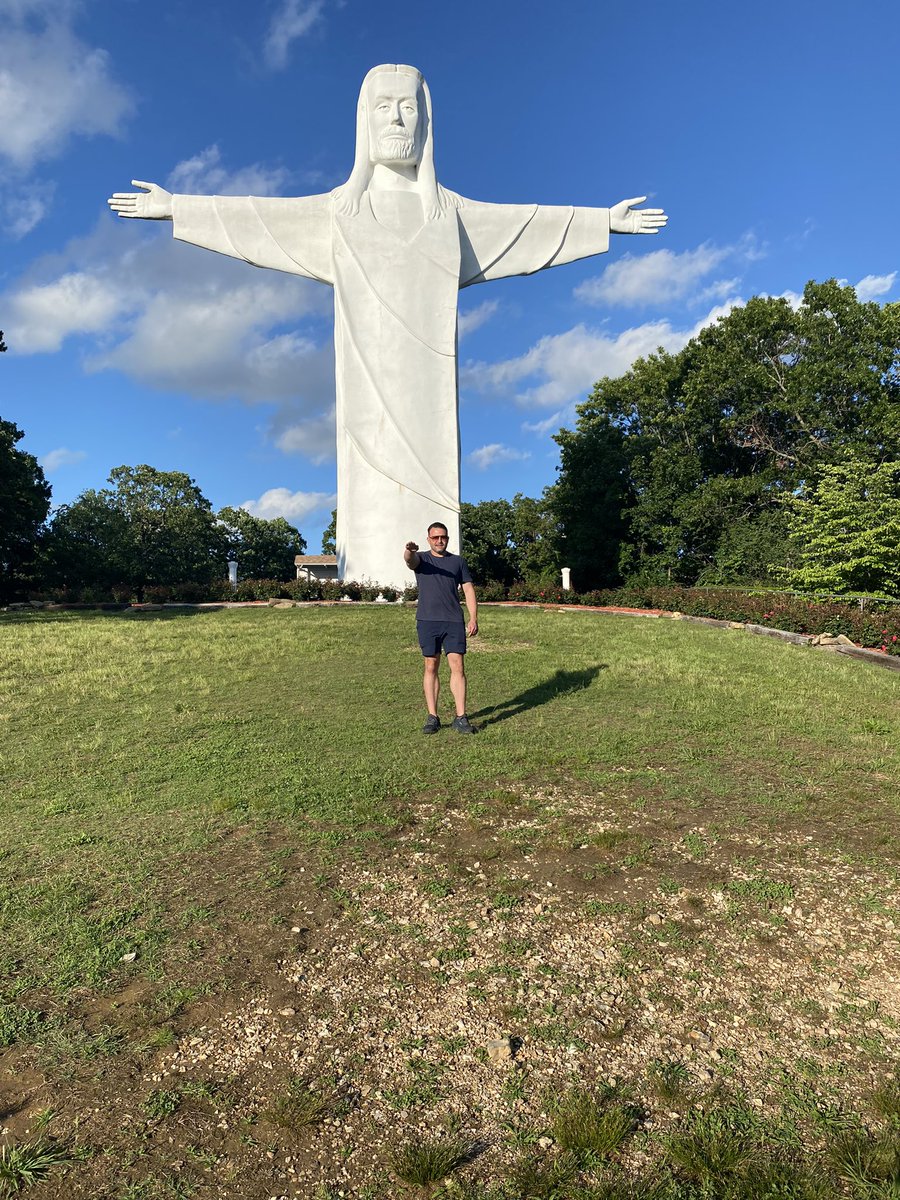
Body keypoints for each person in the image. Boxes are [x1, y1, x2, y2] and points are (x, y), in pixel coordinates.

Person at [107, 63, 667, 589]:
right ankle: (369, 578)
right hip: (364, 403)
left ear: (426, 120)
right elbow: (256, 218)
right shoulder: (338, 213)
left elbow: (530, 226)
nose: (397, 119)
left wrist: (604, 224)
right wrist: (177, 208)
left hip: (431, 399)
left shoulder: (451, 216)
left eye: (408, 106)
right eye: (383, 107)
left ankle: (430, 582)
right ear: (363, 120)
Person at [404, 523, 478, 734]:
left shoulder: (458, 562)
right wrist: (409, 550)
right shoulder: (422, 559)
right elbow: (410, 561)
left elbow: (468, 589)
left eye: (443, 537)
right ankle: (433, 717)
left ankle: (461, 717)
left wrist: (473, 618)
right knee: (431, 666)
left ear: (447, 539)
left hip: (453, 621)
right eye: (435, 537)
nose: (439, 540)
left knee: (458, 667)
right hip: (428, 621)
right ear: (428, 539)